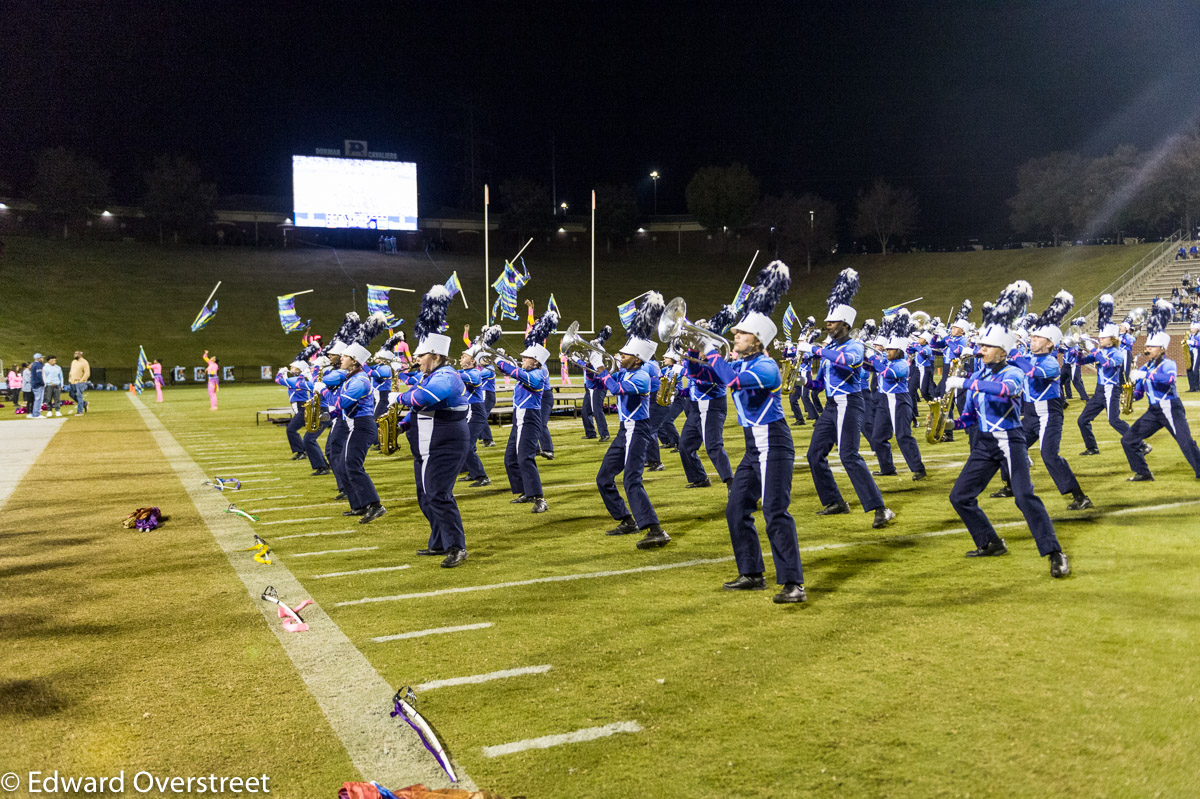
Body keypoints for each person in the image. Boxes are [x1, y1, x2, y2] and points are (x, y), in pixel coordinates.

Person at [945, 280, 1070, 578]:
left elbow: (1005, 390)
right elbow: (971, 418)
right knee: (960, 497)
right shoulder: (979, 373)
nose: (981, 349)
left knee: (1024, 496)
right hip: (986, 443)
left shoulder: (1013, 371)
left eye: (987, 346)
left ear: (1003, 351)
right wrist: (950, 424)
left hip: (1011, 441)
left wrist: (964, 382)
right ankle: (989, 542)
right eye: (981, 345)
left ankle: (1055, 553)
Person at [705, 262, 807, 603]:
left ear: (758, 339)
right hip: (754, 447)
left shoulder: (765, 366)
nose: (735, 337)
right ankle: (752, 573)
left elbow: (730, 380)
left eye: (741, 334)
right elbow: (710, 377)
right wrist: (693, 356)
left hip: (775, 442)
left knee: (776, 511)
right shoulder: (742, 361)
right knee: (737, 509)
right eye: (734, 334)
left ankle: (794, 582)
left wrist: (708, 352)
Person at [796, 269, 896, 529]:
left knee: (849, 455)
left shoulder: (854, 346)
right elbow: (823, 383)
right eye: (827, 322)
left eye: (833, 322)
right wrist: (804, 381)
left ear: (846, 325)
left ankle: (880, 508)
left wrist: (816, 350)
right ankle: (834, 501)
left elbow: (849, 363)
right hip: (832, 405)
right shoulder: (829, 348)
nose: (827, 325)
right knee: (814, 454)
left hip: (851, 402)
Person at [993, 292, 1093, 510]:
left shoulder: (1050, 362)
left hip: (1049, 415)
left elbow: (1032, 373)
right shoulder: (1028, 356)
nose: (1032, 339)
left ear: (1049, 344)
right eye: (1032, 336)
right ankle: (1010, 486)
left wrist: (1015, 355)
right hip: (1030, 415)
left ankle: (1080, 496)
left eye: (1037, 338)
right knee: (1006, 447)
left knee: (1049, 455)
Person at [394, 286, 471, 567]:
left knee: (438, 493)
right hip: (426, 441)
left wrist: (399, 397)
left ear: (436, 356)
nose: (416, 359)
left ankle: (456, 546)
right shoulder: (431, 374)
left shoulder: (447, 376)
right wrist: (403, 423)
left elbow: (424, 398)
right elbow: (420, 407)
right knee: (425, 495)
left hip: (446, 441)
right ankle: (439, 541)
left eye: (421, 355)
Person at [594, 293, 671, 550]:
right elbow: (604, 380)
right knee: (604, 477)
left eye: (624, 354)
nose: (620, 355)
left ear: (637, 358)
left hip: (638, 430)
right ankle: (627, 519)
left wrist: (603, 371)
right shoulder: (628, 370)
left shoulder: (641, 377)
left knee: (631, 480)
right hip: (624, 431)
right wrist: (593, 364)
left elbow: (615, 389)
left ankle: (655, 529)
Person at [1121, 300, 1200, 482]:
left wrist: (1144, 376)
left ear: (1162, 348)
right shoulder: (1146, 367)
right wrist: (1129, 393)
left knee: (1186, 442)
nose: (1147, 349)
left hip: (1171, 408)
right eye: (1147, 347)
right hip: (1154, 411)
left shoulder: (1168, 364)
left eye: (1151, 347)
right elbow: (1140, 394)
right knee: (1128, 440)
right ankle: (1143, 472)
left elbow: (1170, 380)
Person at [329, 312, 388, 523]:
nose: (341, 358)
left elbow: (340, 403)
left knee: (352, 465)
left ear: (354, 361)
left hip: (362, 426)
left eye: (345, 356)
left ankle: (375, 505)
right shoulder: (352, 377)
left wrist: (324, 391)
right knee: (346, 464)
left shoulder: (360, 381)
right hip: (355, 425)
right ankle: (359, 505)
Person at [495, 309, 556, 513]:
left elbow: (516, 373)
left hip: (530, 418)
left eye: (526, 358)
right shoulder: (529, 370)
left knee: (525, 458)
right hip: (518, 419)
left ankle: (540, 498)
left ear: (536, 361)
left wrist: (501, 361)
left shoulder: (538, 374)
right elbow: (514, 370)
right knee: (510, 459)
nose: (522, 360)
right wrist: (500, 359)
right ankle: (525, 492)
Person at [679, 305, 736, 490]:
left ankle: (731, 484)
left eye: (703, 348)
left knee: (713, 447)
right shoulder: (701, 362)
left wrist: (693, 348)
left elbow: (695, 372)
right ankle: (699, 478)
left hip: (711, 407)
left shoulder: (716, 367)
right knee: (685, 445)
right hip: (697, 407)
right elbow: (693, 377)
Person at [865, 310, 926, 480]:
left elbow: (887, 373)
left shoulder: (902, 364)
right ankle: (887, 468)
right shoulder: (887, 360)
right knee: (878, 437)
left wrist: (874, 359)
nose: (887, 351)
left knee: (903, 435)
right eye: (887, 349)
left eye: (891, 350)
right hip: (885, 400)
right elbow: (871, 368)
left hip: (899, 400)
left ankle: (918, 469)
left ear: (898, 351)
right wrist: (866, 359)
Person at [1076, 295, 1136, 456]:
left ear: (1112, 339)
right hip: (1099, 391)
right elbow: (1081, 362)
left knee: (1114, 420)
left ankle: (1139, 442)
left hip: (1112, 389)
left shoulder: (1117, 353)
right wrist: (1076, 350)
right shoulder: (1101, 351)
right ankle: (1092, 447)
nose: (1099, 338)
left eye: (1103, 337)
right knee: (1082, 420)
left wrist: (1093, 349)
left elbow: (1106, 364)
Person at [457, 345, 491, 487]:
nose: (460, 358)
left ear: (472, 361)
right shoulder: (463, 371)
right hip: (469, 411)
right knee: (465, 443)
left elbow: (469, 379)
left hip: (475, 411)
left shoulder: (475, 373)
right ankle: (471, 471)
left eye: (464, 356)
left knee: (467, 445)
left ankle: (482, 476)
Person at [577, 326, 612, 441]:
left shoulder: (598, 352)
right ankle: (590, 433)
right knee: (585, 410)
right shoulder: (592, 353)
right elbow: (585, 363)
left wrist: (581, 360)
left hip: (598, 387)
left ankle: (605, 434)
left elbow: (595, 365)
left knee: (597, 410)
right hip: (589, 387)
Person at [29, 353, 45, 419]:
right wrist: (42, 383)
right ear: (38, 358)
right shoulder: (38, 365)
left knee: (36, 399)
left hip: (34, 384)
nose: (42, 359)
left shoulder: (33, 364)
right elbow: (39, 375)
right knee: (39, 399)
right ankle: (37, 414)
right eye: (41, 357)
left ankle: (35, 413)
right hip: (38, 384)